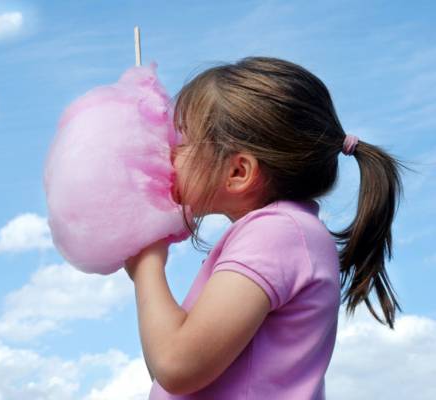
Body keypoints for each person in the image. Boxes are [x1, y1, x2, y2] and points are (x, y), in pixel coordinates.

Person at [124, 56, 410, 399]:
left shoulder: (277, 233)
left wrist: (146, 267)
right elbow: (166, 369)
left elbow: (176, 365)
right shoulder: (280, 233)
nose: (168, 152)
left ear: (238, 172)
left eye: (182, 142)